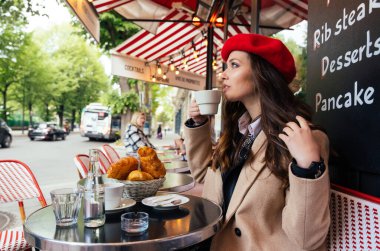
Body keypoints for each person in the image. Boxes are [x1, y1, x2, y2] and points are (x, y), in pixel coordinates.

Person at [184, 34, 330, 251]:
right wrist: (198, 125)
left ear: (262, 74)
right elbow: (203, 176)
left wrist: (308, 167)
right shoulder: (240, 132)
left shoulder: (302, 138)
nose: (223, 75)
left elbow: (307, 240)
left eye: (234, 65)